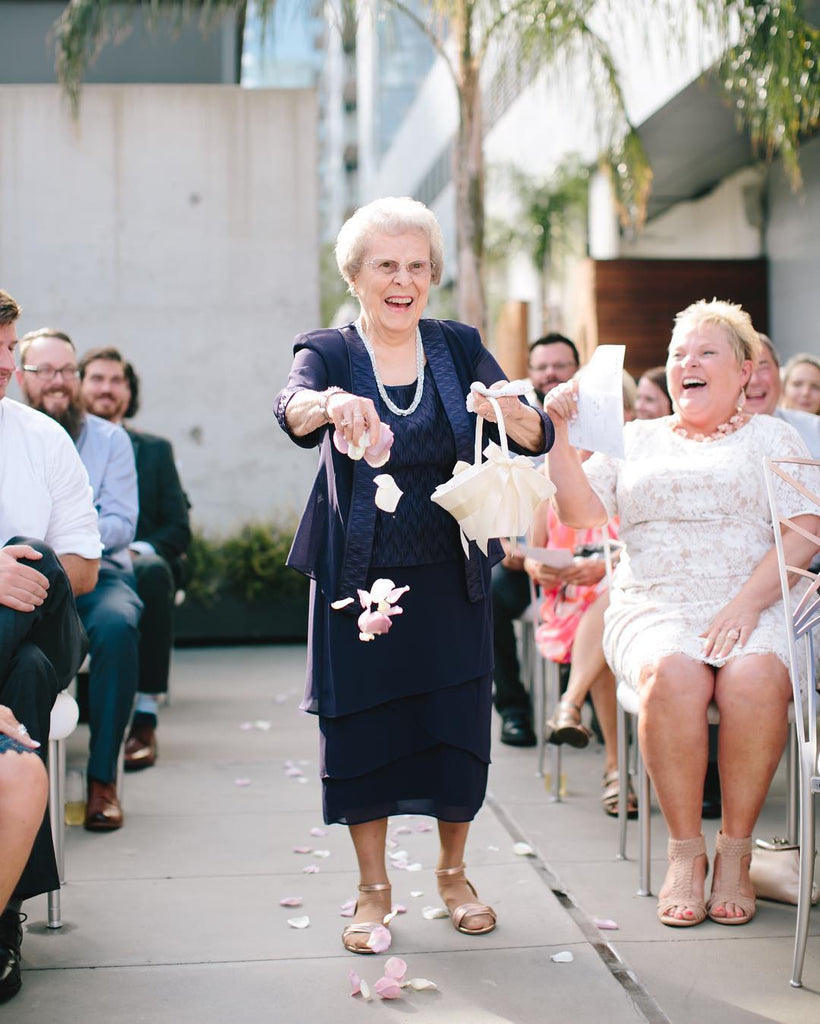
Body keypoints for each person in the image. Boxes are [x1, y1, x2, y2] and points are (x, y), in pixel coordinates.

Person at [275, 196, 552, 953]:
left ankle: (454, 874)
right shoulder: (328, 349)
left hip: (448, 577)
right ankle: (372, 890)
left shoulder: (458, 345)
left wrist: (511, 407)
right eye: (386, 266)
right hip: (357, 580)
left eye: (417, 266)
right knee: (362, 731)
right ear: (356, 275)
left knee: (455, 729)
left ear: (433, 275)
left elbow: (533, 428)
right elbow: (291, 404)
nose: (404, 280)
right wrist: (331, 405)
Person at [543, 299, 819, 928]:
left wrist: (746, 605)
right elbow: (582, 514)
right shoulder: (634, 439)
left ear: (747, 369)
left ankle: (735, 853)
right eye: (677, 355)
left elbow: (805, 531)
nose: (686, 364)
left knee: (755, 678)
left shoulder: (774, 435)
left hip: (756, 598)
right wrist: (559, 439)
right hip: (656, 601)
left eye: (705, 352)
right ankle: (685, 851)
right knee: (672, 675)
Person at [0, 289, 101, 1003]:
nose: (3, 365)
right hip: (25, 659)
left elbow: (86, 568)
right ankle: (6, 915)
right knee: (26, 674)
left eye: (7, 349)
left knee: (30, 552)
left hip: (52, 619)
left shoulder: (41, 439)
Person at [18, 329, 141, 831]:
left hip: (94, 575)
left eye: (67, 371)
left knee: (118, 625)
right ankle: (23, 790)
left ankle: (102, 781)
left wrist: (70, 532)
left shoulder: (110, 439)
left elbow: (120, 524)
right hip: (23, 578)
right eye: (44, 371)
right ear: (21, 376)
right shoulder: (14, 436)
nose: (58, 382)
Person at [79, 349, 191, 770]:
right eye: (97, 378)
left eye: (116, 380)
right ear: (80, 384)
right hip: (88, 558)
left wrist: (135, 549)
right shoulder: (64, 441)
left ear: (129, 391)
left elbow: (177, 528)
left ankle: (145, 716)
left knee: (149, 571)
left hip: (145, 559)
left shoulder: (154, 450)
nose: (106, 388)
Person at [493, 333, 580, 747]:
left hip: (587, 564)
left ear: (575, 371)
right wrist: (508, 547)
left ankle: (577, 703)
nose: (551, 374)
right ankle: (513, 710)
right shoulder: (510, 429)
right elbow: (493, 500)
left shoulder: (593, 428)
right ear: (530, 374)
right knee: (486, 595)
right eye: (542, 366)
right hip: (524, 563)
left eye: (560, 365)